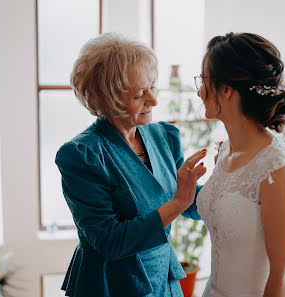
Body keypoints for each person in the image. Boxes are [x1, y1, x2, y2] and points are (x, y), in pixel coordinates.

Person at [55, 33, 206, 297]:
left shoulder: (165, 137)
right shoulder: (81, 155)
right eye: (139, 94)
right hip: (113, 285)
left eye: (153, 87)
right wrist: (178, 203)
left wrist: (239, 192)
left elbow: (190, 200)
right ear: (107, 99)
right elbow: (109, 241)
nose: (154, 100)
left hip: (163, 278)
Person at [195, 32, 285, 297]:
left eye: (204, 81)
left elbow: (284, 271)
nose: (199, 91)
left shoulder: (276, 167)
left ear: (227, 90)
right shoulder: (226, 151)